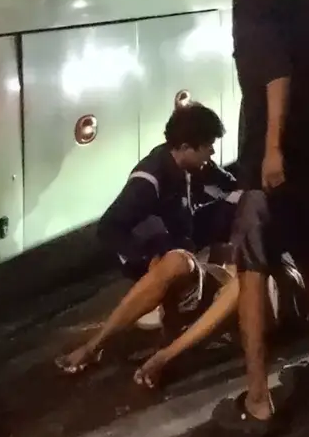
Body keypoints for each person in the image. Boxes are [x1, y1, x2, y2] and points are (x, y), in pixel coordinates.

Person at [212, 0, 309, 435]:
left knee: (252, 270)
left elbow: (275, 75)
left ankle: (259, 397)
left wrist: (271, 150)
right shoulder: (306, 1)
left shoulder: (250, 4)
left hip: (270, 160)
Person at [55, 103, 238, 379]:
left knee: (239, 205)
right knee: (174, 261)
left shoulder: (195, 164)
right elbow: (109, 229)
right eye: (208, 146)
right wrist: (149, 255)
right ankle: (95, 346)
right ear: (186, 147)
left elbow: (230, 183)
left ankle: (195, 302)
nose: (212, 152)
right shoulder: (147, 181)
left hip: (183, 236)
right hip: (153, 253)